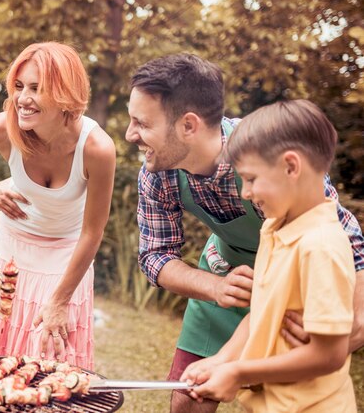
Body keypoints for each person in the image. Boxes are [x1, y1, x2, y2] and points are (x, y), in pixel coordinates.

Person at [124, 53, 364, 413]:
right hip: (227, 272)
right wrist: (215, 287)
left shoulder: (267, 148)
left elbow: (335, 227)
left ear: (189, 125)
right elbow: (154, 256)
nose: (130, 135)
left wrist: (356, 312)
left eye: (141, 123)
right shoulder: (157, 174)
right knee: (189, 396)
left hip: (293, 274)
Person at [0, 41, 116, 370]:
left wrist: (60, 299)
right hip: (11, 254)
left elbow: (93, 232)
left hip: (66, 261)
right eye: (19, 86)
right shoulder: (7, 129)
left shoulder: (97, 148)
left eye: (37, 89)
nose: (22, 99)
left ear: (65, 92)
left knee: (49, 367)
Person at [181, 99, 356, 412]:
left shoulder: (321, 247)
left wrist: (239, 372)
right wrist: (222, 360)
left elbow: (329, 354)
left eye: (250, 179)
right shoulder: (273, 227)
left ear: (291, 167)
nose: (244, 193)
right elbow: (261, 310)